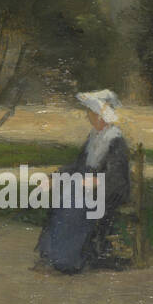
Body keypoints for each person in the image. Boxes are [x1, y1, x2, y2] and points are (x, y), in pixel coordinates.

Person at [36, 90, 132, 273]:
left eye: (93, 113)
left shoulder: (115, 140)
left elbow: (117, 177)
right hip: (88, 186)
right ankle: (53, 253)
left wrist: (95, 181)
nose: (89, 117)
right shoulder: (93, 137)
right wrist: (56, 177)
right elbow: (78, 165)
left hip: (110, 190)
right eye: (90, 113)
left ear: (102, 116)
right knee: (65, 198)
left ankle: (68, 260)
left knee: (74, 202)